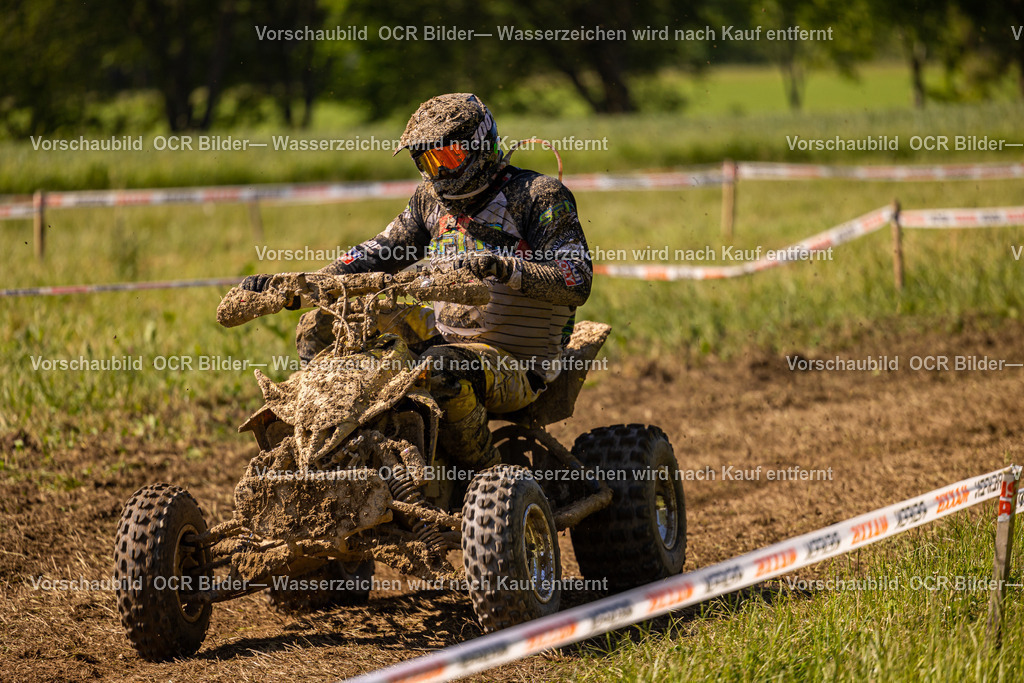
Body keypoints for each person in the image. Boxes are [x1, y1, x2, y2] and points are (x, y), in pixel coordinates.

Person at [241, 93, 592, 468]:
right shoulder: (429, 200)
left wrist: (503, 267)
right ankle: (333, 445)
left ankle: (486, 472)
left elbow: (577, 280)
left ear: (480, 147)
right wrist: (300, 286)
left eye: (448, 157)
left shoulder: (538, 196)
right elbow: (378, 251)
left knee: (442, 367)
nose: (438, 172)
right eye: (427, 160)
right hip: (444, 335)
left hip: (518, 361)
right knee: (319, 325)